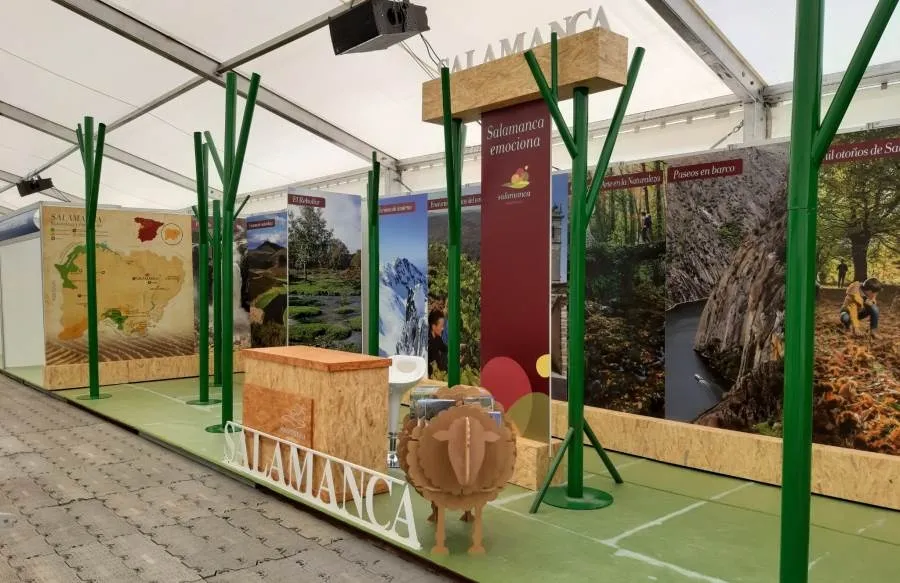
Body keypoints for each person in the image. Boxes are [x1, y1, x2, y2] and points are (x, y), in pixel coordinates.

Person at [427, 310, 448, 377]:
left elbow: (445, 348)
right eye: (441, 326)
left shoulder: (438, 338)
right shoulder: (426, 343)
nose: (443, 329)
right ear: (433, 326)